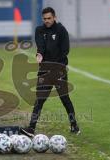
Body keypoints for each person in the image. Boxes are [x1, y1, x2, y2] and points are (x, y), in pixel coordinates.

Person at [21, 7, 80, 137]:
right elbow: (40, 46)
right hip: (44, 71)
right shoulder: (39, 30)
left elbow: (65, 50)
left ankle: (74, 125)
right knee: (39, 100)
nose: (47, 21)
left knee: (64, 98)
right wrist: (39, 54)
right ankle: (31, 128)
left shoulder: (61, 30)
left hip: (59, 70)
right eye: (45, 19)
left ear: (54, 17)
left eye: (49, 18)